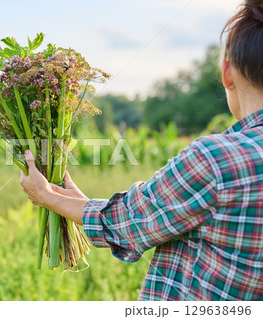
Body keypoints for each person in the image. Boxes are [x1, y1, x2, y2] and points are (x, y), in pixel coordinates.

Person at [20, 0, 263, 301]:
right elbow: (135, 217)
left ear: (227, 72)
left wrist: (46, 196)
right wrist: (73, 201)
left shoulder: (217, 161)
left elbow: (127, 224)